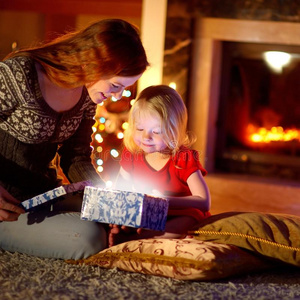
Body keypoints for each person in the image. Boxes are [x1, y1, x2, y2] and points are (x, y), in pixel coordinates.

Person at [0, 18, 149, 259]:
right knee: (88, 238)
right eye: (115, 85)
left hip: (41, 195)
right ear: (95, 64)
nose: (116, 96)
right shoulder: (20, 74)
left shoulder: (87, 96)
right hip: (8, 205)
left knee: (128, 215)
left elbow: (76, 156)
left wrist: (105, 202)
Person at [109, 85, 211, 247]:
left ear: (173, 130)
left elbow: (204, 202)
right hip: (147, 213)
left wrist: (165, 201)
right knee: (123, 219)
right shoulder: (132, 154)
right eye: (140, 128)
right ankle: (132, 233)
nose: (145, 137)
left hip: (178, 213)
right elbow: (119, 191)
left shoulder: (183, 158)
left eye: (156, 131)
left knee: (188, 221)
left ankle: (140, 238)